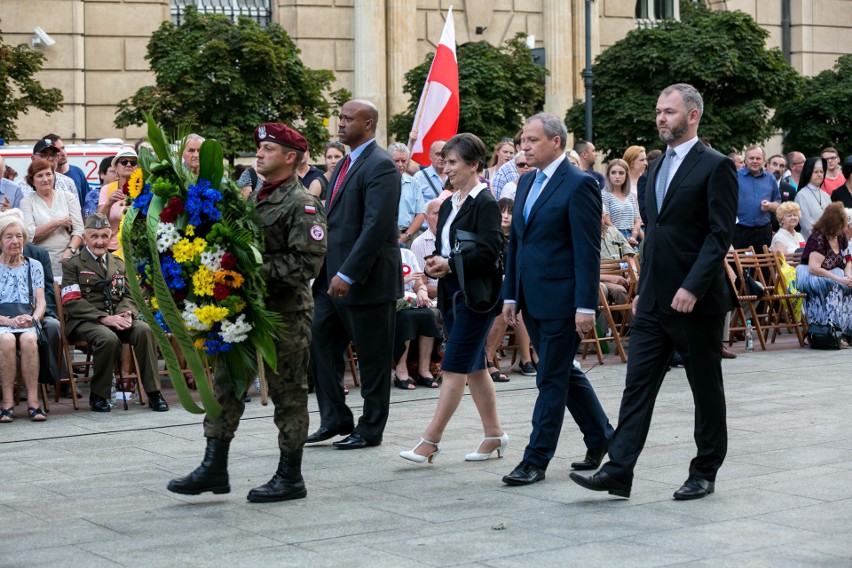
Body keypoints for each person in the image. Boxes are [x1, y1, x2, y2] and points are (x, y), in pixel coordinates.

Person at [570, 83, 738, 500]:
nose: (661, 117)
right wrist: (644, 288)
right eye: (658, 110)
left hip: (696, 302)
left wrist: (692, 287)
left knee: (705, 387)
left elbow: (719, 237)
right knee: (637, 385)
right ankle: (619, 470)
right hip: (654, 300)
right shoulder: (657, 166)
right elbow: (654, 238)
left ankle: (705, 470)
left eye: (669, 111)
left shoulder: (716, 165)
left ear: (692, 115)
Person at [168, 123, 327, 502]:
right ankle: (214, 467)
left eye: (269, 148)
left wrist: (242, 272)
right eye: (259, 147)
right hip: (239, 311)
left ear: (291, 157)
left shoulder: (301, 202)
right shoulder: (253, 196)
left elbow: (306, 265)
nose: (259, 153)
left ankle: (290, 477)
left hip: (285, 315)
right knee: (226, 387)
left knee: (289, 394)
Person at [501, 113, 613, 486]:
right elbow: (517, 242)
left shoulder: (579, 184)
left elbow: (587, 249)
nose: (524, 147)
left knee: (549, 377)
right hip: (530, 297)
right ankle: (602, 437)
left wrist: (585, 305)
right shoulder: (526, 180)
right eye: (522, 141)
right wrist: (511, 295)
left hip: (563, 300)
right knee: (562, 371)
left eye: (532, 140)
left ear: (555, 142)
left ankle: (535, 459)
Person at [400, 132, 508, 464]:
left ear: (474, 165)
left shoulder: (486, 202)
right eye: (445, 162)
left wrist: (450, 263)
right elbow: (443, 248)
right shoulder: (449, 202)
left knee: (454, 366)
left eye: (453, 162)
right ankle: (494, 435)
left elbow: (492, 251)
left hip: (477, 296)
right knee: (474, 367)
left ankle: (431, 440)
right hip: (451, 293)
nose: (447, 168)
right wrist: (434, 263)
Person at [306, 99, 402, 450]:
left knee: (374, 359)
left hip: (366, 281)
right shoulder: (345, 162)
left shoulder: (381, 166)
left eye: (349, 118)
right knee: (317, 338)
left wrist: (348, 273)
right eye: (341, 117)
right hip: (331, 278)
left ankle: (370, 428)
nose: (341, 123)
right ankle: (334, 418)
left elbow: (376, 227)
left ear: (370, 123)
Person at [60, 214, 169, 413]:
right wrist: (103, 318)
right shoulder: (72, 264)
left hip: (117, 317)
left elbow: (130, 295)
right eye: (94, 236)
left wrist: (125, 314)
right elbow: (71, 300)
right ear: (85, 238)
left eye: (104, 236)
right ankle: (99, 395)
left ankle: (154, 393)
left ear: (111, 237)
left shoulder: (118, 263)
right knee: (108, 338)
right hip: (85, 322)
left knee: (145, 330)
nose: (99, 241)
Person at [0, 215, 47, 423]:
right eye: (8, 237)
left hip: (27, 319)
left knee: (29, 339)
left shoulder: (34, 265)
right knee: (7, 340)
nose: (15, 241)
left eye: (19, 236)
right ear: (0, 240)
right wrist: (9, 322)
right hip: (2, 321)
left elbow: (41, 302)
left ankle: (34, 403)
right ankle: (7, 403)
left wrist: (33, 319)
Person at [483, 197, 536, 380]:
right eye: (502, 211)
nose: (505, 216)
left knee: (520, 299)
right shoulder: (489, 235)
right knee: (512, 302)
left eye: (510, 212)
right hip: (492, 287)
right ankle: (525, 358)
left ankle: (530, 357)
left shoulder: (519, 237)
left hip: (512, 288)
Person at [795, 202, 852, 344]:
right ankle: (831, 332)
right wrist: (839, 280)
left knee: (849, 287)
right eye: (843, 223)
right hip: (812, 275)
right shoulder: (818, 237)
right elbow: (814, 268)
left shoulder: (840, 237)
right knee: (835, 288)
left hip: (833, 273)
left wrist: (848, 276)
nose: (846, 227)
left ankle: (845, 333)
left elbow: (848, 260)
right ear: (834, 223)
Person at [20, 158, 84, 276]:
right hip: (39, 264)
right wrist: (58, 223)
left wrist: (70, 250)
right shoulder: (26, 202)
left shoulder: (68, 197)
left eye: (48, 174)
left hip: (69, 261)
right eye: (40, 176)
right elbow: (29, 235)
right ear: (32, 181)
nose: (45, 179)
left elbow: (80, 230)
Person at [392, 247, 441, 390]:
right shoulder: (377, 255)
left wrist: (422, 293)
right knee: (405, 317)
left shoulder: (407, 254)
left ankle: (424, 369)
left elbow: (419, 284)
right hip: (390, 304)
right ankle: (401, 370)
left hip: (410, 301)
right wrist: (403, 280)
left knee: (427, 315)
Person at [733, 145, 781, 251]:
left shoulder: (770, 178)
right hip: (740, 231)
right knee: (740, 266)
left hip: (763, 232)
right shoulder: (735, 177)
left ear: (763, 160)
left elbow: (778, 204)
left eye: (758, 158)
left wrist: (770, 206)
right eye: (751, 158)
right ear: (745, 160)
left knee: (765, 266)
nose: (755, 161)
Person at [98, 149, 138, 253]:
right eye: (124, 162)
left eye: (133, 162)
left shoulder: (143, 189)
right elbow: (99, 221)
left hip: (137, 248)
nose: (128, 164)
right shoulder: (107, 189)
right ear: (115, 167)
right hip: (112, 248)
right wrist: (109, 203)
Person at [389, 143, 426, 247]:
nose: (400, 164)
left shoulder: (414, 183)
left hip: (409, 237)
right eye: (396, 161)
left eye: (404, 161)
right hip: (386, 237)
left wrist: (407, 235)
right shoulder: (379, 183)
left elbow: (420, 213)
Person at [602, 158, 642, 249]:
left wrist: (633, 237)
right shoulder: (604, 195)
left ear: (626, 176)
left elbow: (637, 221)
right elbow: (606, 221)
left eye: (621, 173)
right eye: (613, 172)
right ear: (608, 175)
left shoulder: (630, 196)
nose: (617, 176)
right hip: (614, 239)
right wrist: (623, 238)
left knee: (635, 262)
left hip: (632, 238)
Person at [44, 133, 90, 214]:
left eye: (63, 148)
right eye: (57, 150)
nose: (63, 153)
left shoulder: (78, 172)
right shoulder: (44, 179)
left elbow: (86, 204)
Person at [794, 157, 830, 240]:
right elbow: (806, 224)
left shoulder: (826, 196)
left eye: (821, 172)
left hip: (829, 241)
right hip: (812, 242)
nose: (819, 174)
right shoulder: (801, 195)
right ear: (809, 172)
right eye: (816, 172)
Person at [412, 140, 448, 205]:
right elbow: (414, 205)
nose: (441, 158)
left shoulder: (455, 175)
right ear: (430, 156)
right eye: (438, 154)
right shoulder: (419, 177)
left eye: (444, 154)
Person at [490, 131, 523, 198]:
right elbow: (496, 198)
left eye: (511, 153)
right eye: (505, 152)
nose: (508, 155)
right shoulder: (504, 170)